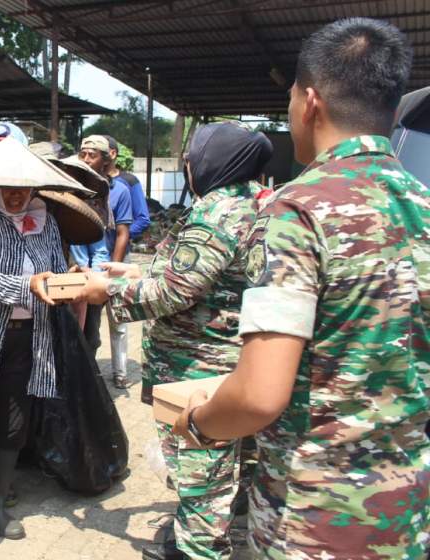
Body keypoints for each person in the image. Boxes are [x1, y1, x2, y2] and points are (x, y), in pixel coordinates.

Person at [166, 18, 429, 559]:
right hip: (405, 508)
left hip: (312, 515)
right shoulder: (421, 205)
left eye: (289, 99)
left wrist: (196, 424)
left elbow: (260, 396)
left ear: (310, 102)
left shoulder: (300, 210)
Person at [80, 122, 273, 560]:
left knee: (201, 470)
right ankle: (225, 531)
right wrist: (133, 271)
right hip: (236, 361)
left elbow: (175, 291)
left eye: (192, 159)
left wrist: (104, 291)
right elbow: (213, 278)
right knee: (235, 467)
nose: (189, 167)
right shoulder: (258, 203)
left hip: (197, 369)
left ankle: (198, 548)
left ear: (212, 161)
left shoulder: (216, 212)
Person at [0, 182, 68, 540]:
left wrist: (68, 283)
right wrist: (26, 286)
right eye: (9, 189)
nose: (18, 196)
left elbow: (57, 266)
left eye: (25, 189)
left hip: (33, 335)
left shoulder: (45, 219)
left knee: (14, 419)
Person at [73, 135, 133, 387]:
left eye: (92, 155)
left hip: (98, 267)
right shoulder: (70, 186)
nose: (86, 159)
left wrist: (101, 275)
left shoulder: (111, 191)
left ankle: (92, 378)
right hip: (71, 270)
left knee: (94, 330)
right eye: (83, 154)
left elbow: (115, 233)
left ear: (106, 159)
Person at [105, 135, 150, 241]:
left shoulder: (129, 181)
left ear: (113, 153)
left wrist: (121, 237)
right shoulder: (87, 182)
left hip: (117, 250)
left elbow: (143, 219)